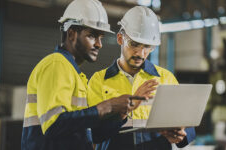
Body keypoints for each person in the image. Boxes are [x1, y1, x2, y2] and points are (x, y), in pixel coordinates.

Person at [21, 0, 154, 150]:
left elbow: (93, 135)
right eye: (92, 36)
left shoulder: (75, 75)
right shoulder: (56, 64)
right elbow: (54, 124)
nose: (99, 44)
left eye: (101, 38)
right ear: (71, 34)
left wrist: (123, 112)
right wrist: (107, 106)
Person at [87, 6, 196, 150]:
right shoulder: (99, 81)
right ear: (120, 38)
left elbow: (188, 128)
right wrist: (125, 109)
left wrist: (181, 134)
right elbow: (95, 134)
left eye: (147, 46)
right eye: (134, 44)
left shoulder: (165, 78)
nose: (140, 53)